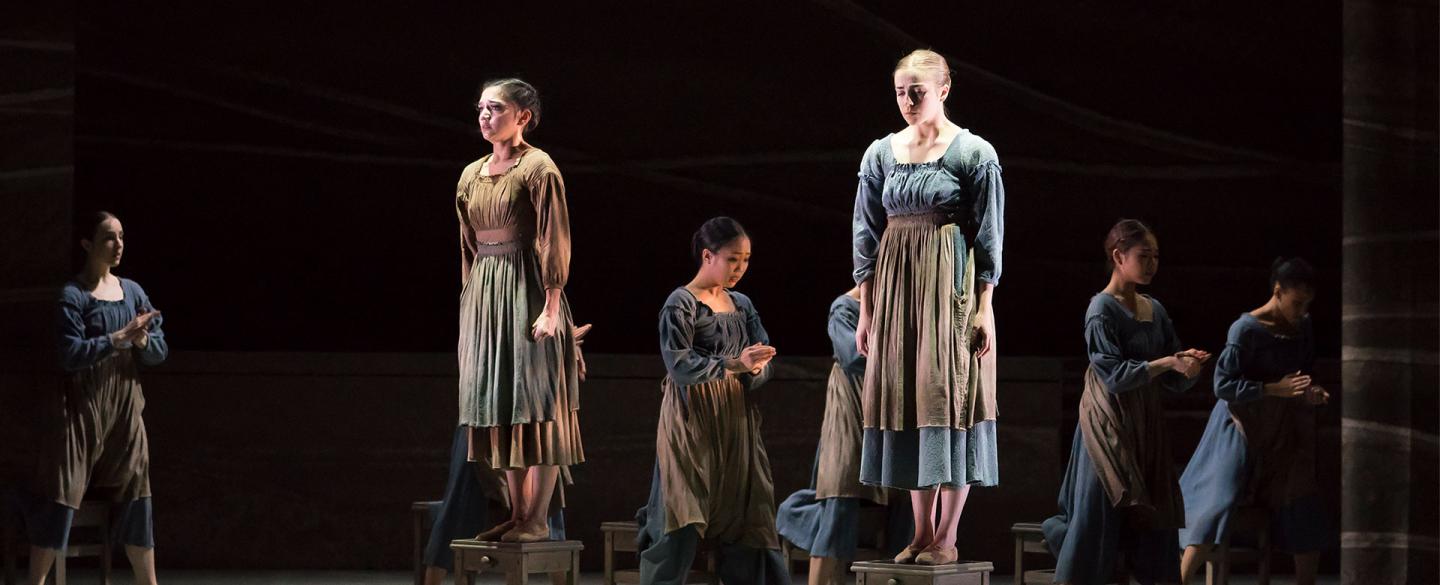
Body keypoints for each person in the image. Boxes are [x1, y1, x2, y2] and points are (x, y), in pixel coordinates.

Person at [851, 49, 1005, 565]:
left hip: (949, 292)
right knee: (910, 401)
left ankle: (948, 535)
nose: (908, 100)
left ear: (944, 89)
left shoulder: (973, 153)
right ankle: (919, 533)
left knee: (948, 399)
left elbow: (988, 237)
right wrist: (868, 311)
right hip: (897, 294)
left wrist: (983, 306)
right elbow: (866, 236)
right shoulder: (881, 154)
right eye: (900, 91)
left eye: (917, 90)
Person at [1041, 219, 1211, 585]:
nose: (1151, 263)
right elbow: (1114, 376)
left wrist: (1187, 368)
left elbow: (1169, 377)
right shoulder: (1101, 309)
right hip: (1108, 421)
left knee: (1155, 518)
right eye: (1143, 255)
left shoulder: (1155, 309)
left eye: (1156, 256)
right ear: (1119, 256)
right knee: (1098, 516)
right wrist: (1168, 362)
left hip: (1145, 423)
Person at [637, 217, 789, 585]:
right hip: (692, 416)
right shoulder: (681, 303)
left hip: (735, 416)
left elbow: (764, 359)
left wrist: (755, 369)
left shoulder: (741, 303)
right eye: (733, 259)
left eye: (746, 260)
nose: (740, 268)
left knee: (750, 513)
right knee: (684, 510)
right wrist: (736, 363)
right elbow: (679, 364)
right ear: (708, 256)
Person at [26, 211, 167, 585]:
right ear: (88, 244)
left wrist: (142, 340)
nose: (118, 244)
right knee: (62, 496)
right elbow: (68, 354)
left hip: (124, 412)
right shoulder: (73, 296)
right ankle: (35, 583)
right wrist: (117, 340)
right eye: (108, 237)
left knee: (139, 494)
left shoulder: (133, 292)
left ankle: (148, 583)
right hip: (80, 411)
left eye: (121, 236)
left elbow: (159, 351)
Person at [1179, 258, 1332, 585]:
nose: (1302, 311)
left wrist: (1310, 392)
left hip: (1281, 427)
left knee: (1303, 497)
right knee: (1219, 499)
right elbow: (1223, 385)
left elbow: (1304, 374)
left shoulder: (1302, 327)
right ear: (1278, 292)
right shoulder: (1246, 329)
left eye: (1307, 304)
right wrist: (1271, 388)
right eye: (1296, 303)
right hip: (1240, 424)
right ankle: (1177, 579)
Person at [777, 287, 914, 585]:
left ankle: (897, 575)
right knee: (841, 495)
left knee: (907, 500)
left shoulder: (896, 303)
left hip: (885, 409)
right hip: (850, 406)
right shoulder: (844, 308)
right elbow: (853, 357)